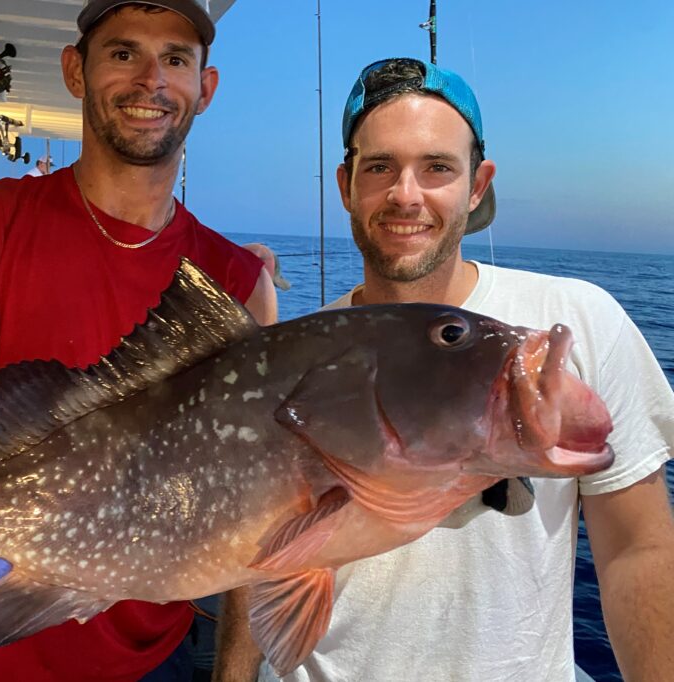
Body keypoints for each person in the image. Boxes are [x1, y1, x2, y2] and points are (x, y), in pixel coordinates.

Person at [215, 58, 674, 681]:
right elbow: (259, 557)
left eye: (437, 167)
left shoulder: (579, 319)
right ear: (346, 184)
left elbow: (638, 549)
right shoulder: (291, 357)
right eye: (379, 167)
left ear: (477, 184)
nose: (406, 193)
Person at [0, 2, 277, 681]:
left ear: (205, 88)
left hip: (150, 663)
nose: (150, 80)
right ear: (76, 70)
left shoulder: (238, 286)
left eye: (176, 59)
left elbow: (255, 514)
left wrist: (235, 673)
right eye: (124, 53)